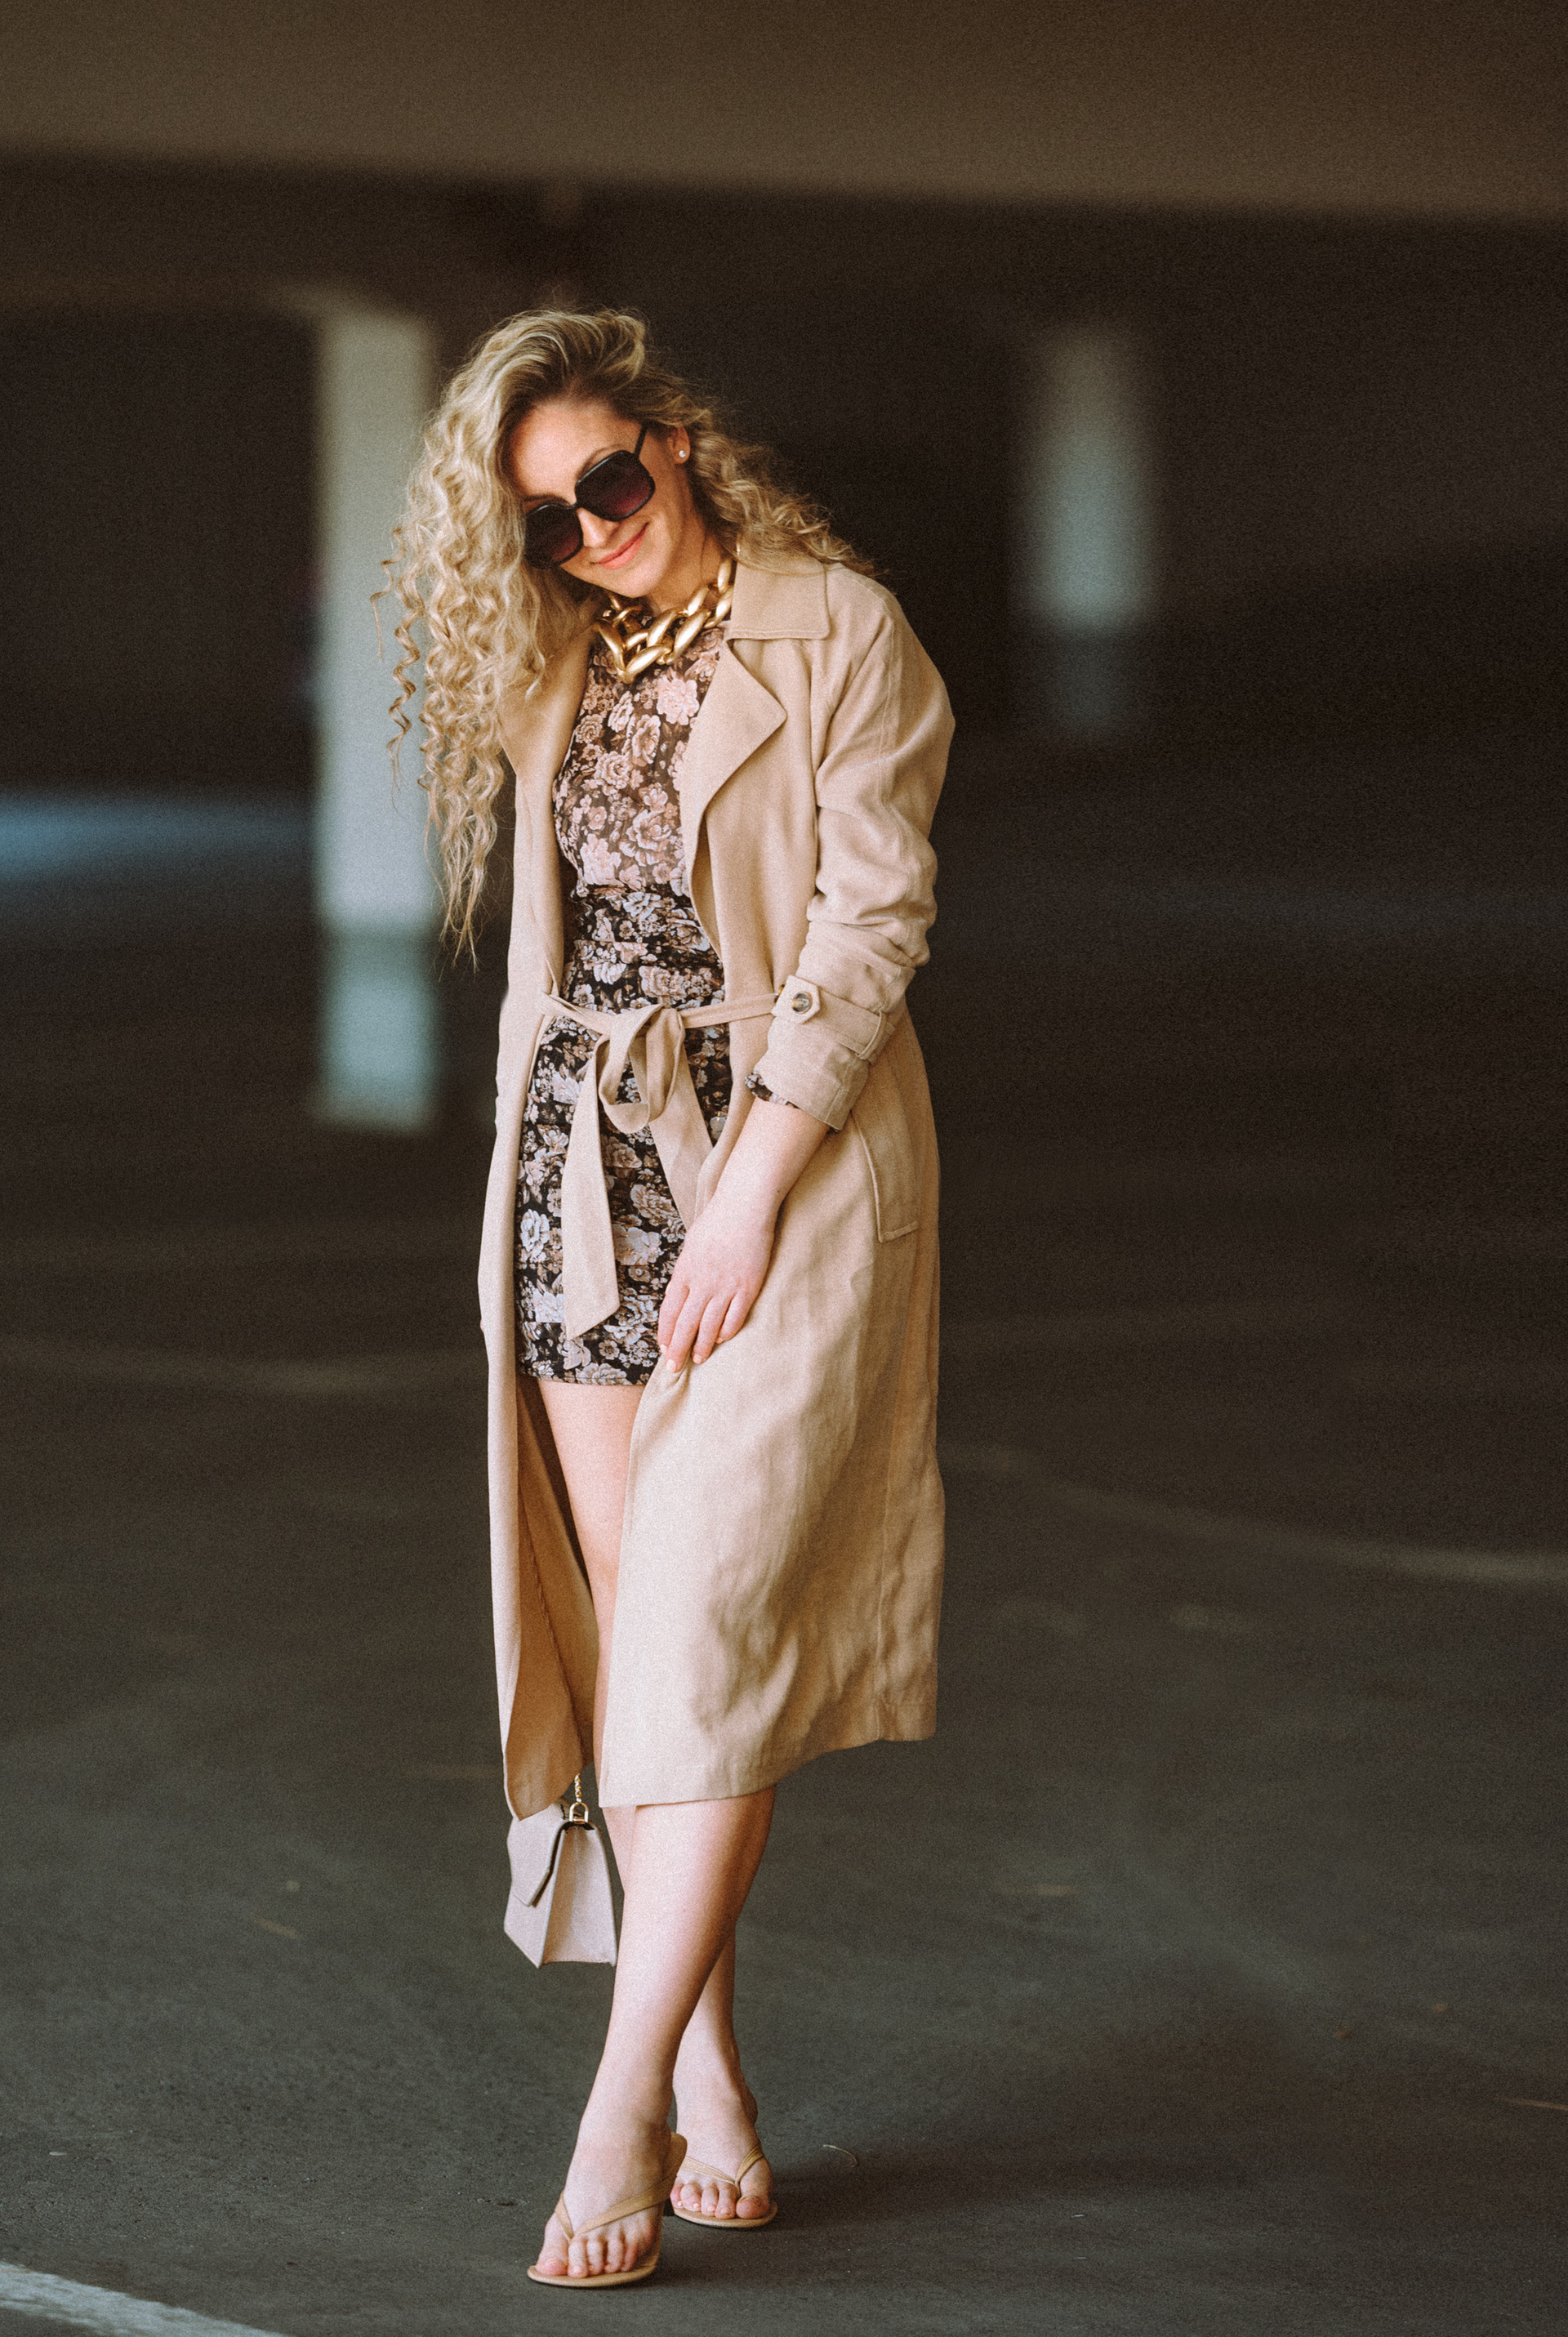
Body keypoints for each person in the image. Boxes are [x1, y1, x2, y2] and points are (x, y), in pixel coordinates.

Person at [390, 310, 950, 2289]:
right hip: (578, 1181)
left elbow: (871, 927)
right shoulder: (556, 659)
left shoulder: (839, 632)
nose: (589, 532)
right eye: (545, 520)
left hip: (775, 1171)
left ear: (679, 442)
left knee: (707, 1634)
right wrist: (531, 1192)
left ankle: (615, 2106)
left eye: (608, 483)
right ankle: (708, 2076)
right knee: (641, 1652)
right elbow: (554, 966)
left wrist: (748, 1204)